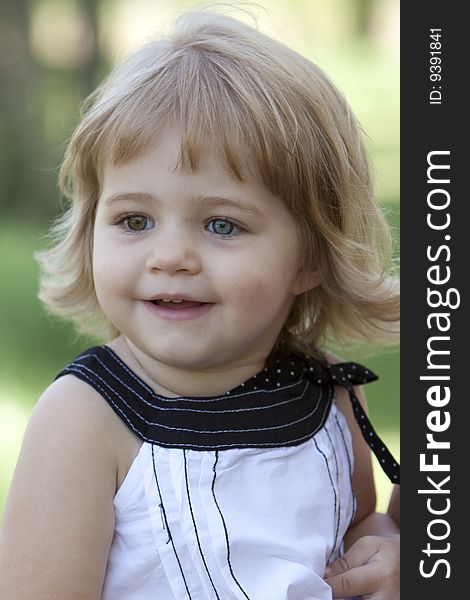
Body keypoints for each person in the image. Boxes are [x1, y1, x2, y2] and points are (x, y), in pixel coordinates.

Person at [0, 8, 400, 600]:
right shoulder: (87, 421)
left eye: (221, 224)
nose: (171, 257)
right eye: (135, 219)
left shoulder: (330, 395)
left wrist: (387, 549)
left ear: (311, 256)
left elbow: (351, 532)